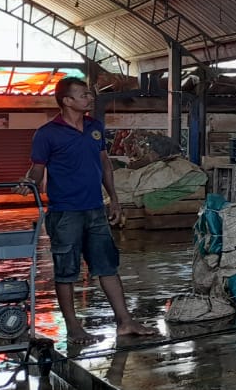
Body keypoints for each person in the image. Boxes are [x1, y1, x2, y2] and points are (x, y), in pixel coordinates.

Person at [22, 77, 157, 344]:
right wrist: (28, 182)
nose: (90, 98)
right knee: (66, 272)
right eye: (84, 95)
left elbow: (104, 164)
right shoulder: (47, 133)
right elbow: (37, 168)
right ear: (67, 101)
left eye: (89, 94)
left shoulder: (95, 127)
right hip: (65, 213)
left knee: (107, 266)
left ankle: (125, 322)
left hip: (95, 209)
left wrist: (114, 199)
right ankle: (73, 327)